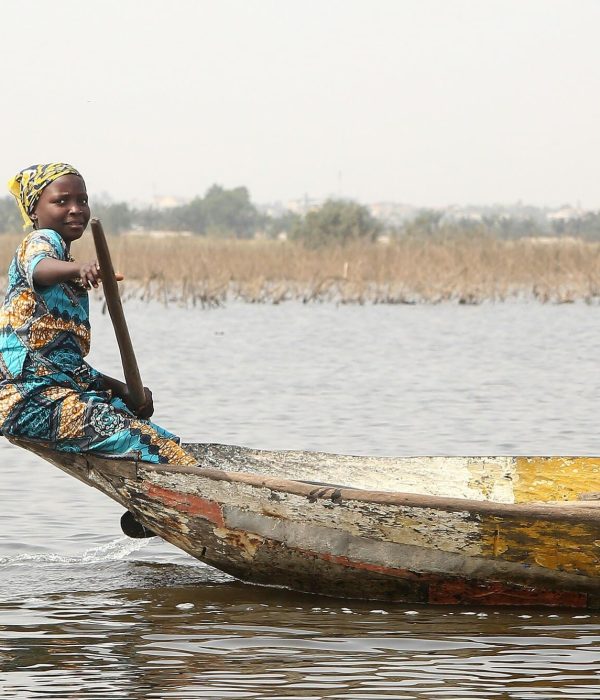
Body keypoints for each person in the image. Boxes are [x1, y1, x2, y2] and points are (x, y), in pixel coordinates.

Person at [0, 162, 197, 466]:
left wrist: (128, 393)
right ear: (35, 212)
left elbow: (64, 363)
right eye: (61, 201)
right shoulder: (41, 241)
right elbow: (39, 266)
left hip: (50, 392)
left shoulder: (66, 271)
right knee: (151, 446)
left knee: (146, 430)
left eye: (82, 200)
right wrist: (79, 269)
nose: (76, 209)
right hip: (27, 400)